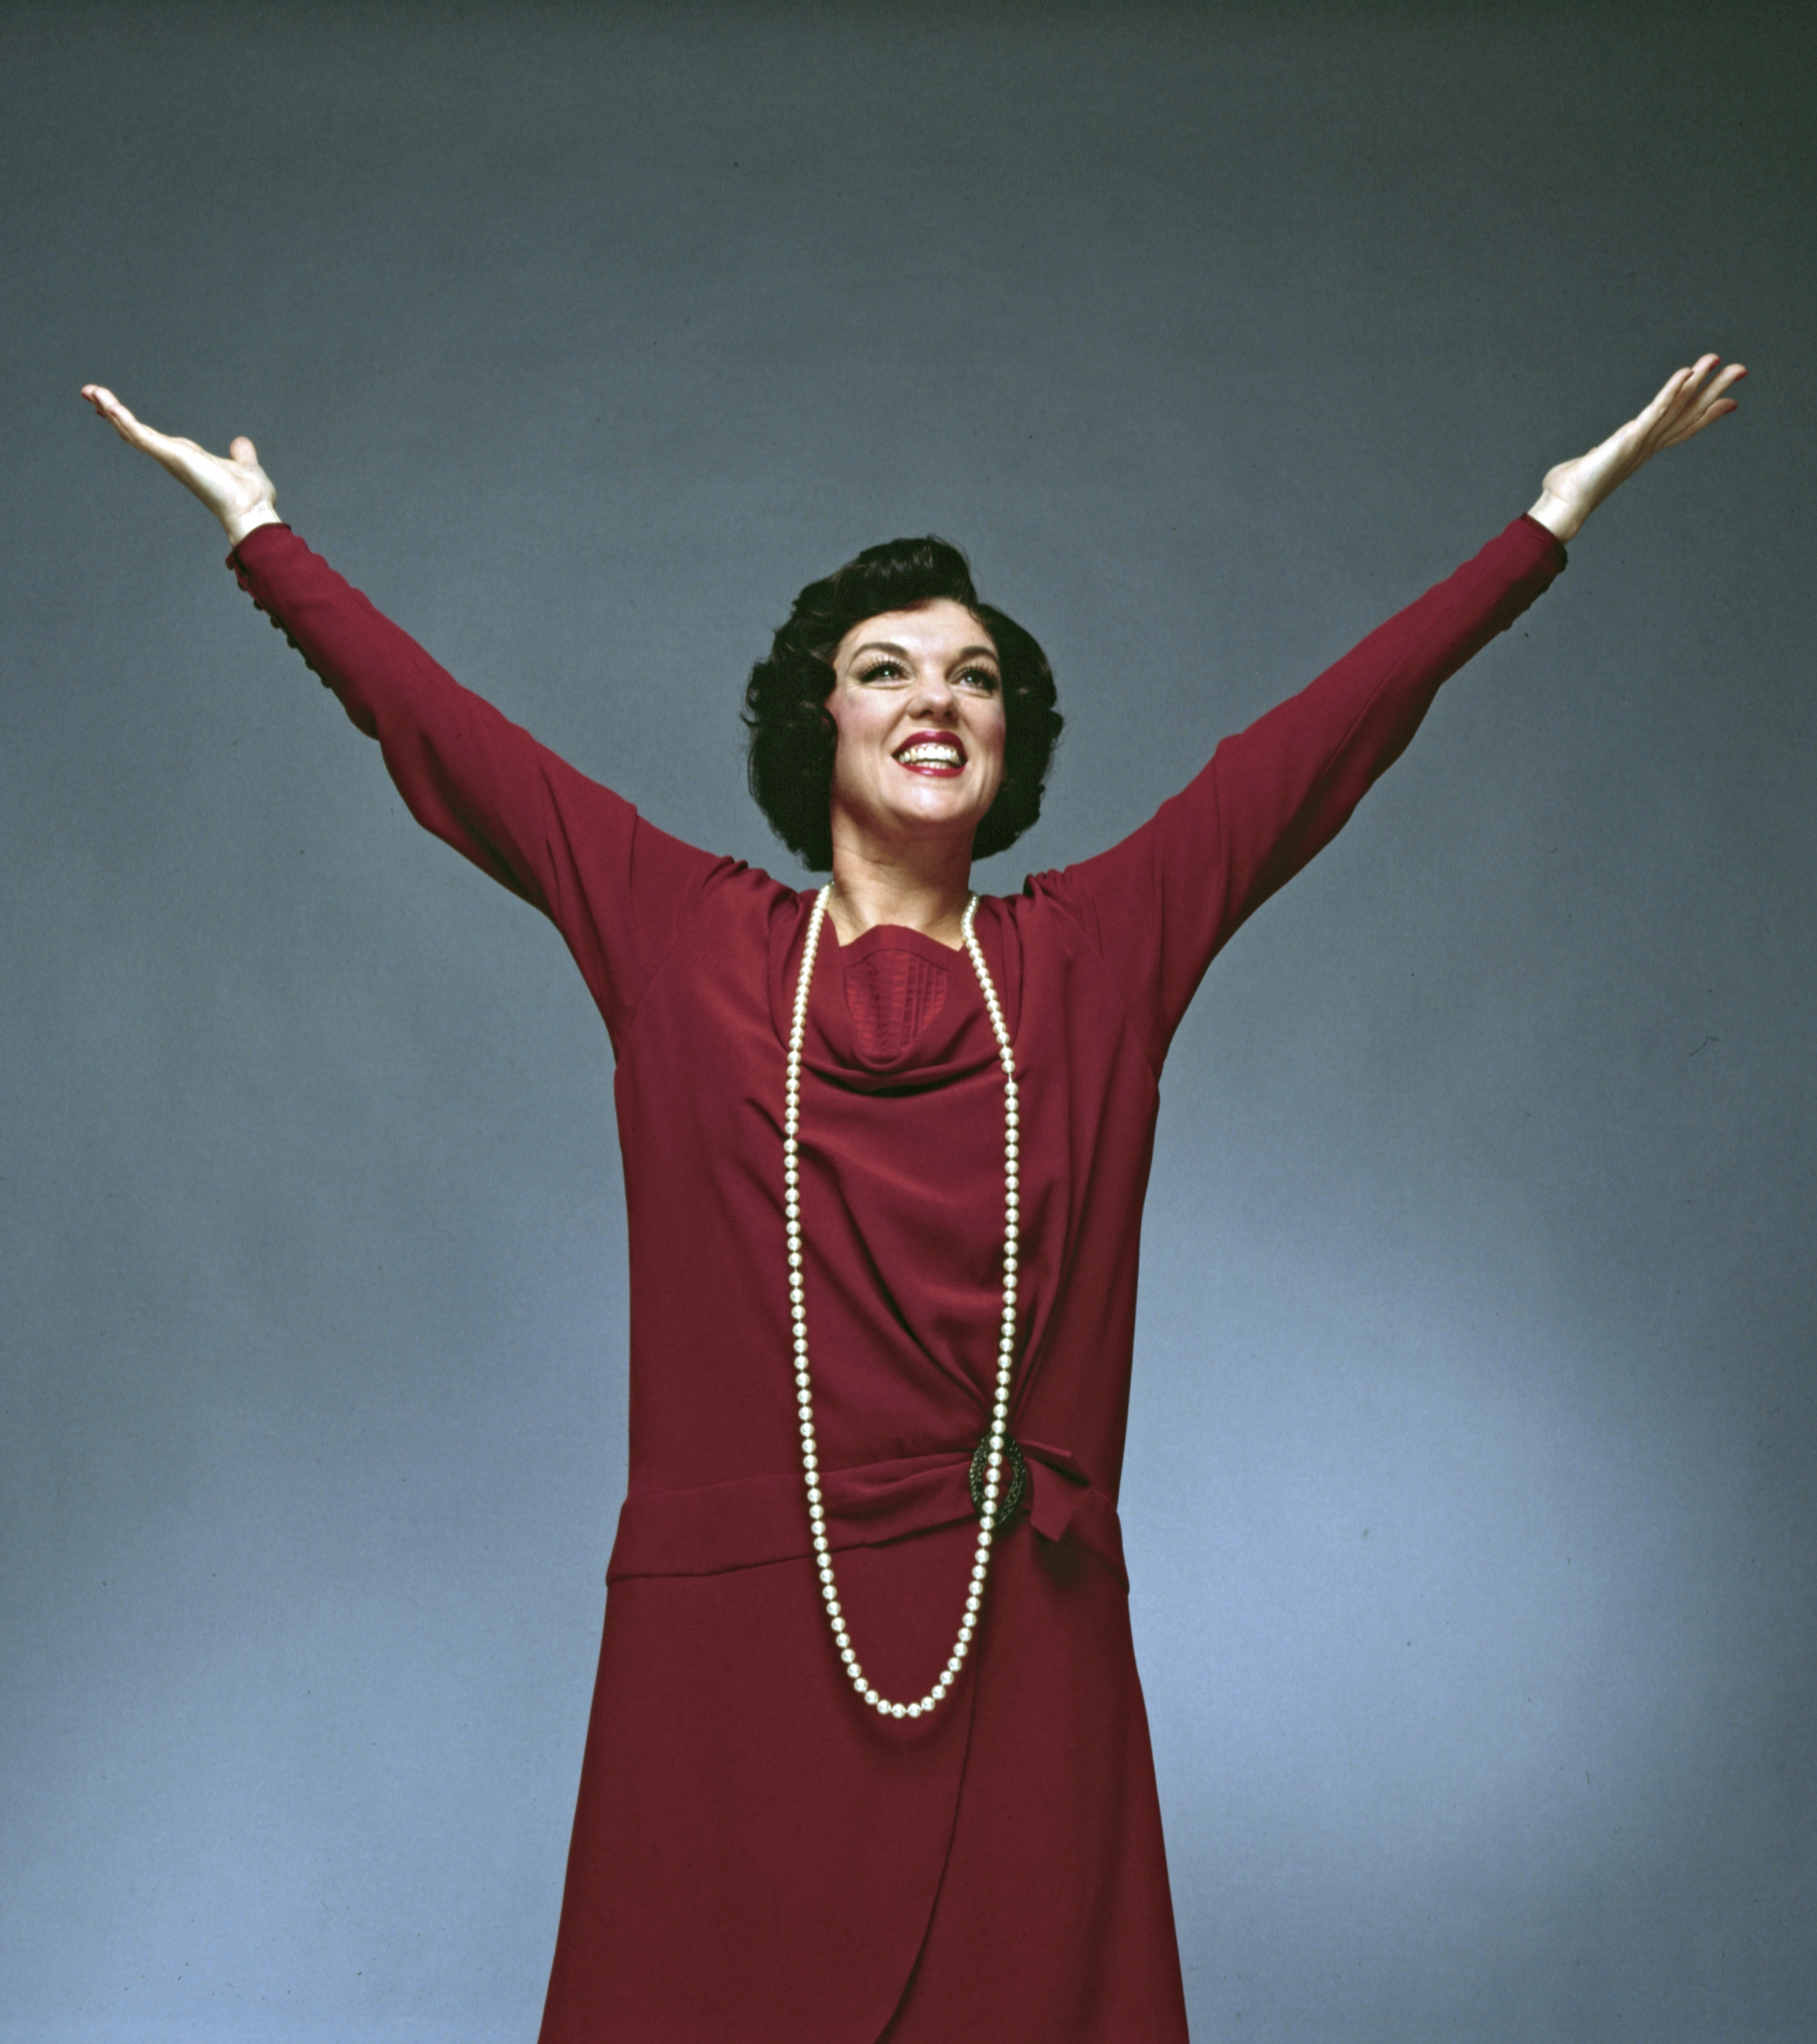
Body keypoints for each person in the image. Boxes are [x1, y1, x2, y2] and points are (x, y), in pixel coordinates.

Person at [80, 360, 1743, 2043]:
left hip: (1021, 1636)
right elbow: (451, 742)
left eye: (976, 675)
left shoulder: (1092, 958)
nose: (935, 697)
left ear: (1010, 737)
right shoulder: (687, 940)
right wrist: (265, 539)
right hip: (732, 1654)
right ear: (821, 722)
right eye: (885, 669)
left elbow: (1312, 752)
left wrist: (1541, 527)